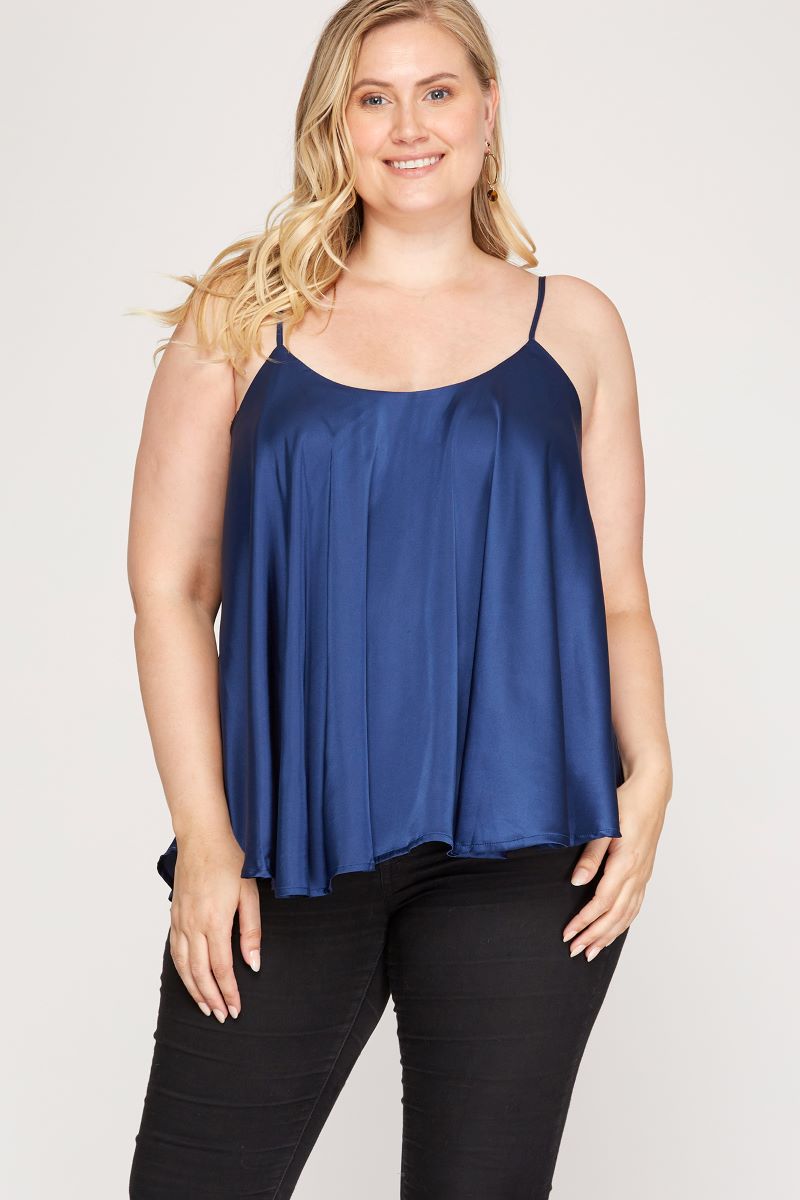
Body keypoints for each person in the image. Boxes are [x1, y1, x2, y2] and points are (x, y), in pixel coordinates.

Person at [127, 1, 672, 1196]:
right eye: (372, 98)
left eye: (436, 91)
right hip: (280, 841)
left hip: (529, 842)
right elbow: (171, 589)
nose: (407, 124)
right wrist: (206, 841)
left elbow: (617, 593)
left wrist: (650, 774)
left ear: (486, 110)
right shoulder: (241, 315)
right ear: (335, 124)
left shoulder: (574, 324)